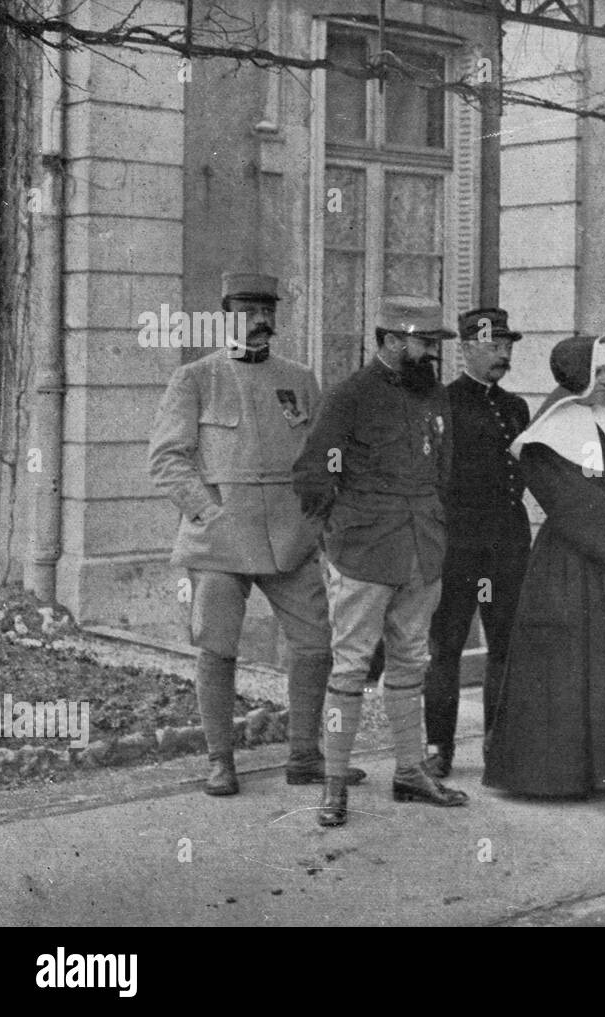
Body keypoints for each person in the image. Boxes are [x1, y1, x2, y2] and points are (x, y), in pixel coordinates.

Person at [147, 272, 364, 796]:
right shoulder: (196, 378)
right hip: (220, 541)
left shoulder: (300, 378)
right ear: (226, 316)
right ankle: (220, 759)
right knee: (217, 647)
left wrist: (321, 516)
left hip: (291, 538)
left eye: (268, 311)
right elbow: (166, 459)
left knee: (315, 644)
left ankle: (304, 755)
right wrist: (206, 512)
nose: (261, 321)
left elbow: (320, 456)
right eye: (248, 311)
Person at [293, 295, 469, 827]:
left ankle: (410, 773)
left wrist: (434, 524)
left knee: (412, 660)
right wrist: (337, 539)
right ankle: (333, 786)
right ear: (393, 340)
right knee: (348, 668)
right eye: (424, 342)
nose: (433, 353)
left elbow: (443, 469)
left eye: (434, 343)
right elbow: (312, 474)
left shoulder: (434, 396)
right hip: (364, 554)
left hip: (422, 551)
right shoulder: (350, 396)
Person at [483, 336, 605, 798]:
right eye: (601, 370)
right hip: (570, 562)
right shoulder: (543, 437)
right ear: (577, 375)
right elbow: (565, 500)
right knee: (571, 667)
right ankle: (565, 774)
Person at [421, 307, 531, 779]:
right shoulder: (442, 404)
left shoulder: (516, 407)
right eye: (493, 345)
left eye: (507, 346)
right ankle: (438, 747)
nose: (502, 354)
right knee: (446, 646)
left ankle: (499, 742)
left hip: (507, 541)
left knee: (505, 645)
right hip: (460, 544)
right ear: (466, 348)